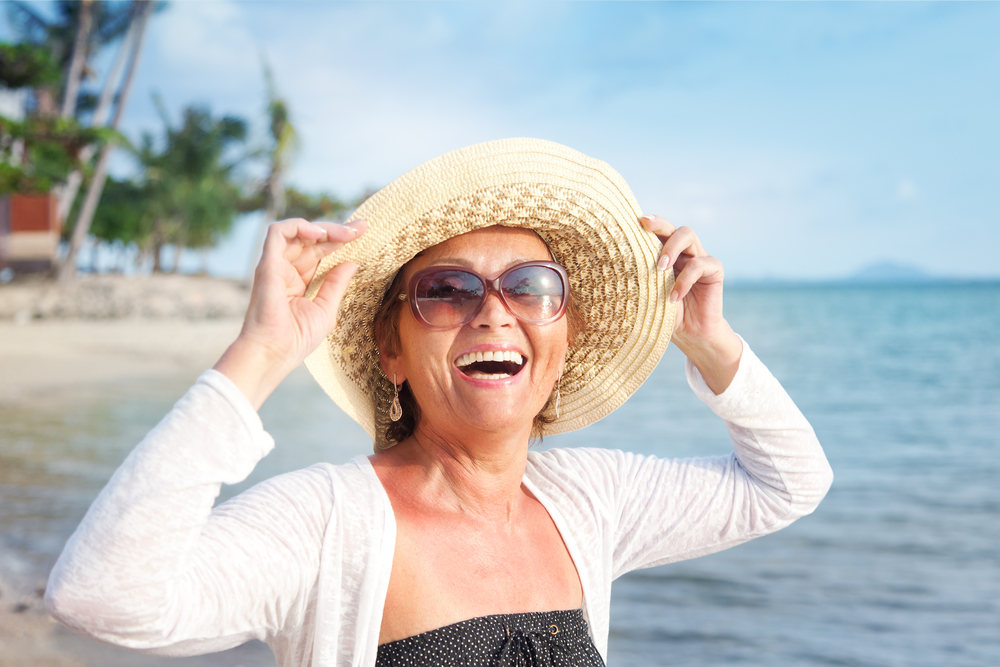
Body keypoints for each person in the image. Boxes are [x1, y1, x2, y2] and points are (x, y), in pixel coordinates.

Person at [45, 139, 833, 667]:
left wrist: (709, 343)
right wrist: (261, 354)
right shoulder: (326, 522)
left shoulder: (591, 500)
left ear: (560, 341)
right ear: (390, 350)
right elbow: (101, 594)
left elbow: (789, 483)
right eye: (447, 290)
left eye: (530, 287)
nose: (494, 312)